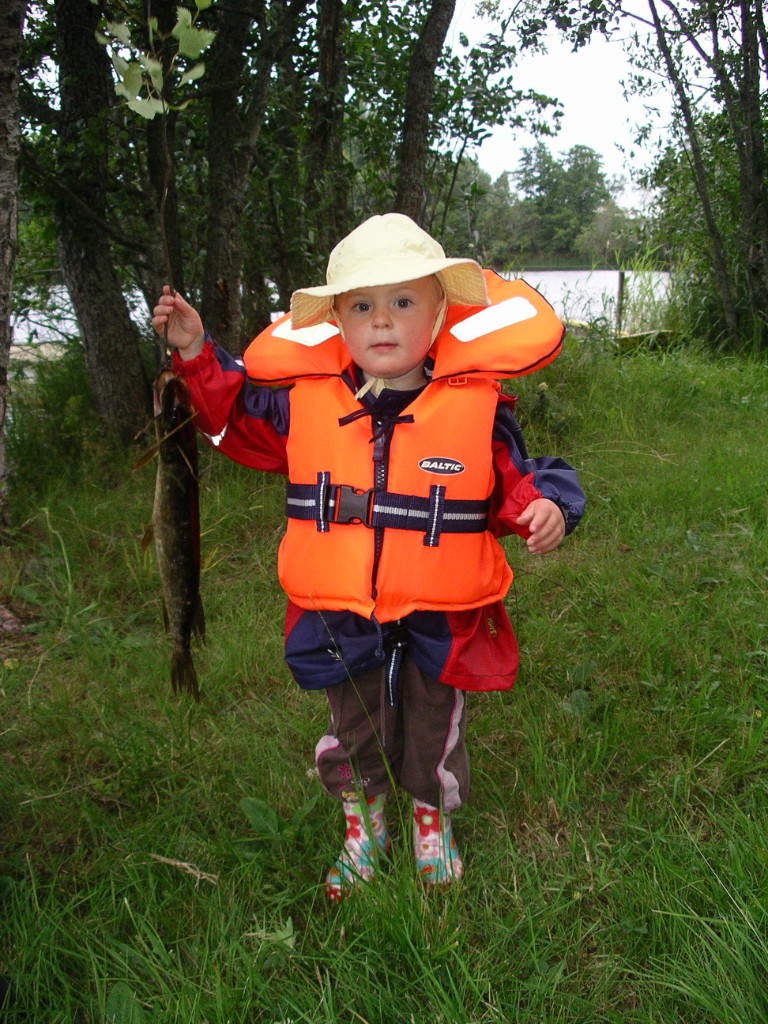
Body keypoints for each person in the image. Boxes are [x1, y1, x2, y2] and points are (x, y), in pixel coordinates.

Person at [152, 213, 585, 901]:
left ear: (439, 312)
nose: (381, 322)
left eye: (402, 302)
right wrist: (197, 349)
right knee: (353, 727)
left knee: (434, 726)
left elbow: (517, 477)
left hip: (441, 613)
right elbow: (231, 417)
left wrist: (549, 506)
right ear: (339, 322)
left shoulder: (478, 406)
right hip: (337, 612)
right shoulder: (303, 405)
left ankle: (429, 822)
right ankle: (365, 826)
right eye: (362, 306)